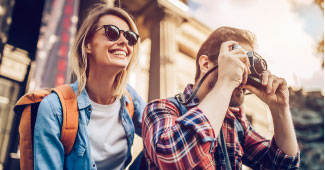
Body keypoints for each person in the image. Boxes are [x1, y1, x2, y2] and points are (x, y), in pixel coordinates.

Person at [142, 26, 300, 169]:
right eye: (239, 62)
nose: (244, 74)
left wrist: (280, 110)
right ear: (206, 64)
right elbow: (173, 158)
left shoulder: (236, 123)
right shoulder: (161, 109)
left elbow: (282, 165)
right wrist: (226, 81)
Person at [33, 4, 146, 170]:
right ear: (88, 45)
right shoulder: (54, 107)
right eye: (112, 32)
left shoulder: (130, 99)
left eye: (130, 38)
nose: (124, 42)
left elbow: (166, 140)